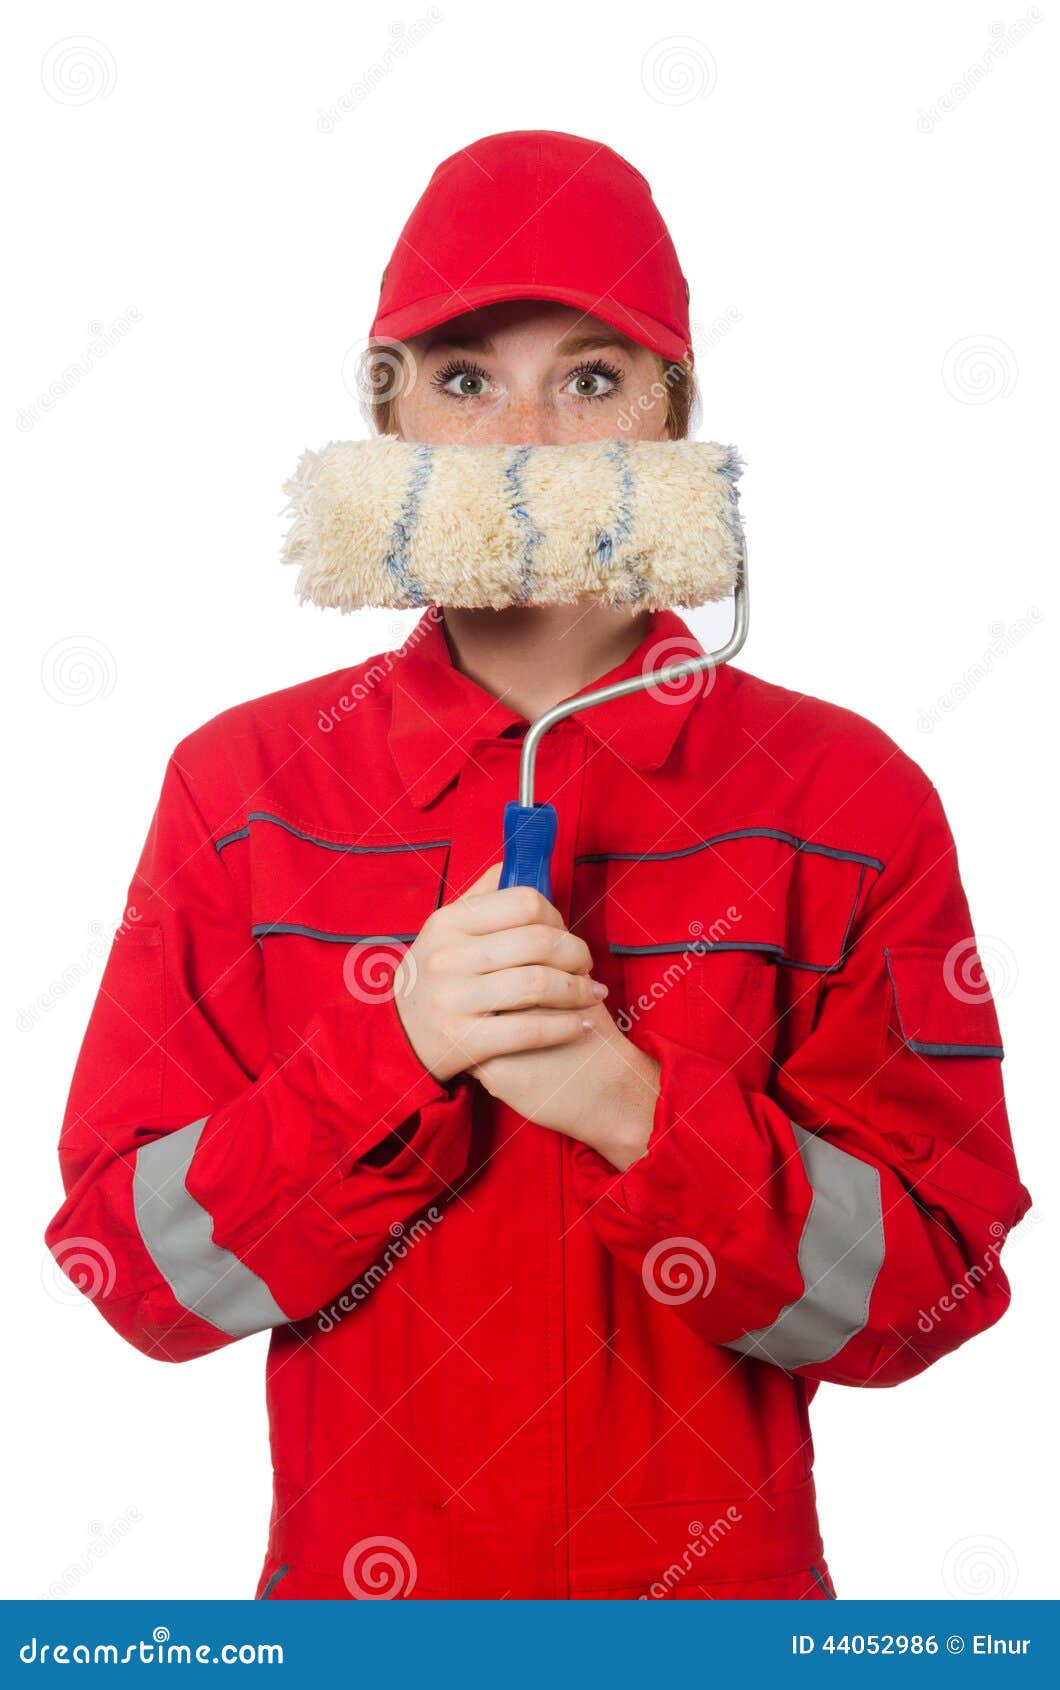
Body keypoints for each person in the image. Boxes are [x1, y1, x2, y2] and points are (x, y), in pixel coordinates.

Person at [44, 129, 1031, 1602]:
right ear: (384, 421)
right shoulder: (241, 790)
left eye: (589, 378)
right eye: (462, 379)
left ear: (676, 418)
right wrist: (386, 1059)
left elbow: (933, 1292)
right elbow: (137, 1275)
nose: (523, 439)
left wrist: (641, 1109)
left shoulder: (846, 797)